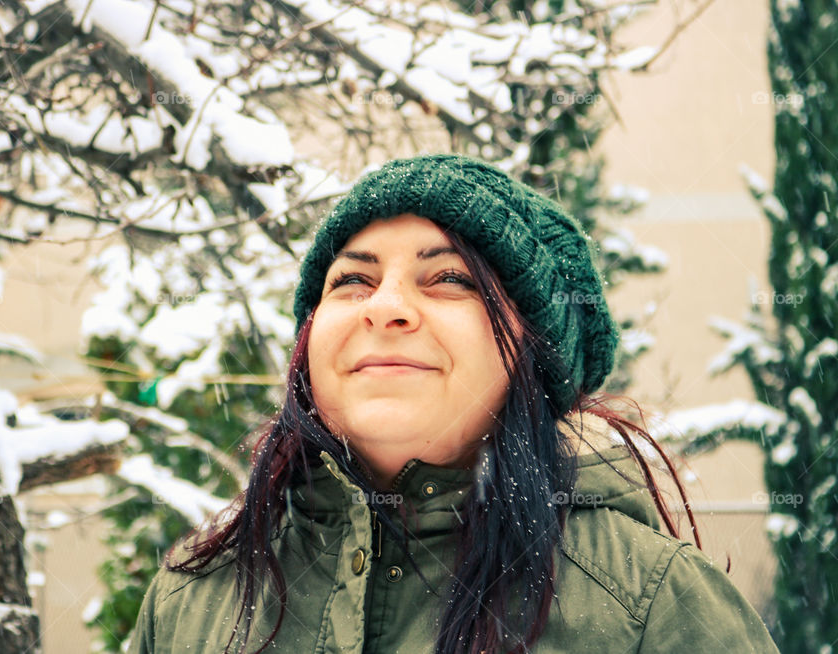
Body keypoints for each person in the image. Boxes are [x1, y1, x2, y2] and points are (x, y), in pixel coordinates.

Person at [127, 154, 780, 653]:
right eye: (352, 279)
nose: (384, 307)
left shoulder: (655, 604)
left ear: (534, 354)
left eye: (449, 279)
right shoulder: (191, 599)